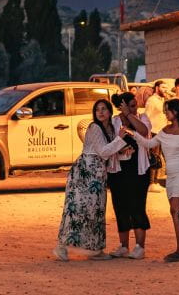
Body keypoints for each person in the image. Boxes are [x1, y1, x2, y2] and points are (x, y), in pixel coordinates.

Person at [54, 99, 128, 261]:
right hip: (86, 172)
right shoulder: (95, 128)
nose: (100, 112)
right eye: (97, 110)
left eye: (104, 109)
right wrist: (120, 140)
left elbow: (109, 151)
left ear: (110, 112)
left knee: (96, 209)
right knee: (78, 209)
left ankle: (95, 249)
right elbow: (102, 151)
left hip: (98, 172)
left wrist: (122, 147)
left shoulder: (109, 129)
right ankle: (62, 246)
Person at [128, 99, 179, 262]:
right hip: (171, 176)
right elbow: (149, 143)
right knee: (177, 212)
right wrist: (133, 134)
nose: (165, 113)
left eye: (167, 110)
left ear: (176, 111)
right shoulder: (165, 130)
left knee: (175, 211)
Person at [108, 92, 153, 259]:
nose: (136, 108)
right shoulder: (114, 122)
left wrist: (129, 114)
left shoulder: (142, 117)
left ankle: (140, 246)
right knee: (120, 206)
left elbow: (144, 131)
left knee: (137, 206)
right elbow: (110, 143)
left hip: (139, 170)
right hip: (118, 170)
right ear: (122, 105)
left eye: (135, 105)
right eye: (132, 105)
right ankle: (123, 246)